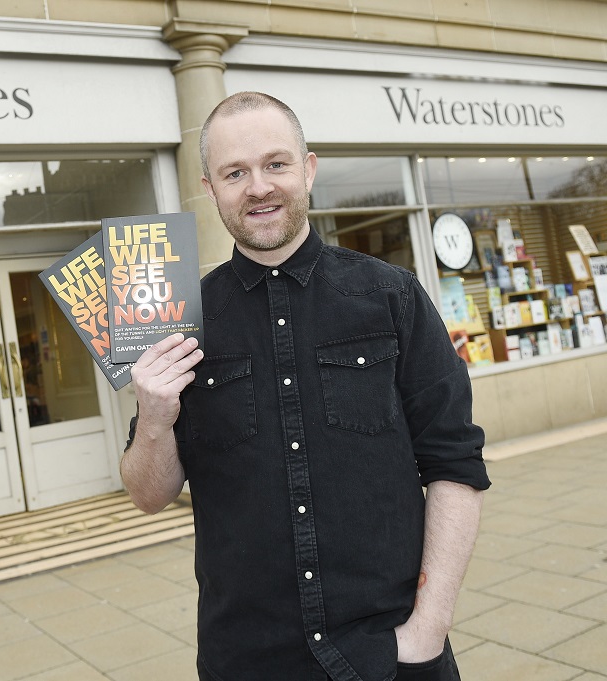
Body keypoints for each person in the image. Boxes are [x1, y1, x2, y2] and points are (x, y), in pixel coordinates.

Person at [120, 91, 490, 681]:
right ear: (210, 188)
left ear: (308, 168)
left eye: (276, 164)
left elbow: (456, 463)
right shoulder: (178, 323)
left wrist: (428, 628)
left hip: (390, 655)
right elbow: (147, 494)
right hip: (247, 659)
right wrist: (156, 416)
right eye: (234, 172)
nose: (258, 187)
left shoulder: (391, 296)